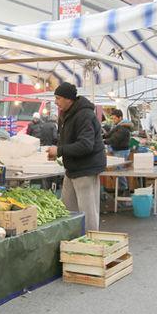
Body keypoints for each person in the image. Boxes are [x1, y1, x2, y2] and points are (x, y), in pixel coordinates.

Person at [46, 83, 106, 231]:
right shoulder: (67, 114)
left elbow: (86, 145)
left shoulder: (84, 115)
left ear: (69, 99)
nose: (56, 102)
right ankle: (71, 239)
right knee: (67, 208)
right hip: (72, 168)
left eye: (58, 98)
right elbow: (68, 139)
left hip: (86, 168)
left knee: (87, 211)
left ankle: (92, 242)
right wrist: (58, 151)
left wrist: (59, 150)